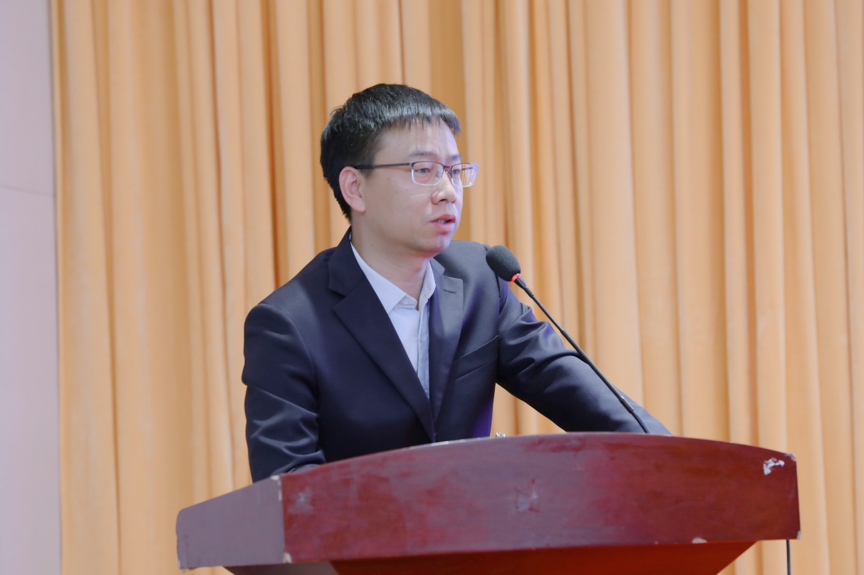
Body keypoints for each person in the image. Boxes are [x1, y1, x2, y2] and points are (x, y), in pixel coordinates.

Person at [242, 84, 668, 481]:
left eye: (454, 170)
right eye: (424, 170)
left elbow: (572, 389)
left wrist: (674, 458)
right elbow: (288, 490)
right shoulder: (289, 326)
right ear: (355, 188)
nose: (448, 191)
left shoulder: (480, 277)